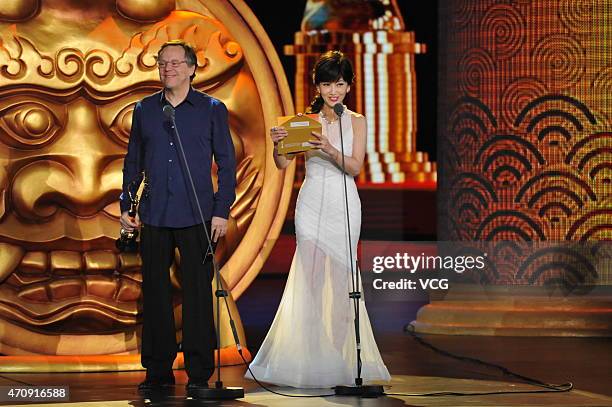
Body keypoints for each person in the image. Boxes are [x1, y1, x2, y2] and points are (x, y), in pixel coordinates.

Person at [246, 51, 390, 387]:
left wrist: (327, 148)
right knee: (310, 284)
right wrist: (278, 146)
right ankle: (311, 358)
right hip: (311, 203)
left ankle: (339, 361)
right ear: (318, 86)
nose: (334, 91)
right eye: (327, 84)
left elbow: (354, 167)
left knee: (342, 285)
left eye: (340, 83)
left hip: (344, 205)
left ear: (349, 85)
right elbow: (283, 165)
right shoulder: (305, 120)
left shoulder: (357, 121)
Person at [120, 40, 236, 393]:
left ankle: (199, 373)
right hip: (155, 214)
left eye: (174, 63)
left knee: (198, 295)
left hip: (198, 214)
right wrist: (126, 205)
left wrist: (221, 210)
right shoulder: (145, 109)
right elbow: (133, 162)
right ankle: (157, 371)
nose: (167, 68)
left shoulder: (211, 108)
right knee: (155, 293)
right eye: (162, 63)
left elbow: (227, 164)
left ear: (191, 68)